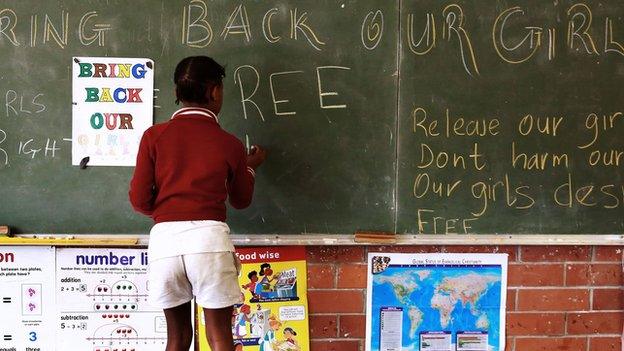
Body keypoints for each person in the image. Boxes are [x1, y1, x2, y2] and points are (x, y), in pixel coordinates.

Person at [129, 56, 267, 351]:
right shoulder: (228, 143)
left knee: (177, 338)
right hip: (209, 241)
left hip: (165, 243)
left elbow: (139, 199)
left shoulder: (154, 136)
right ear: (215, 91)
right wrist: (249, 166)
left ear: (178, 92)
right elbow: (241, 200)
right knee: (219, 337)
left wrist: (172, 211)